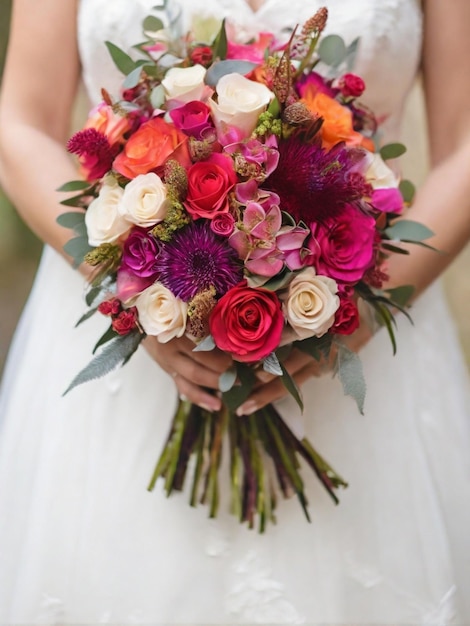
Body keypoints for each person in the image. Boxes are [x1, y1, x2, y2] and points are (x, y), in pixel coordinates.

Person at [0, 0, 469, 622]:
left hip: (367, 348)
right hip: (127, 366)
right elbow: (21, 124)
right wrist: (134, 296)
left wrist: (354, 316)